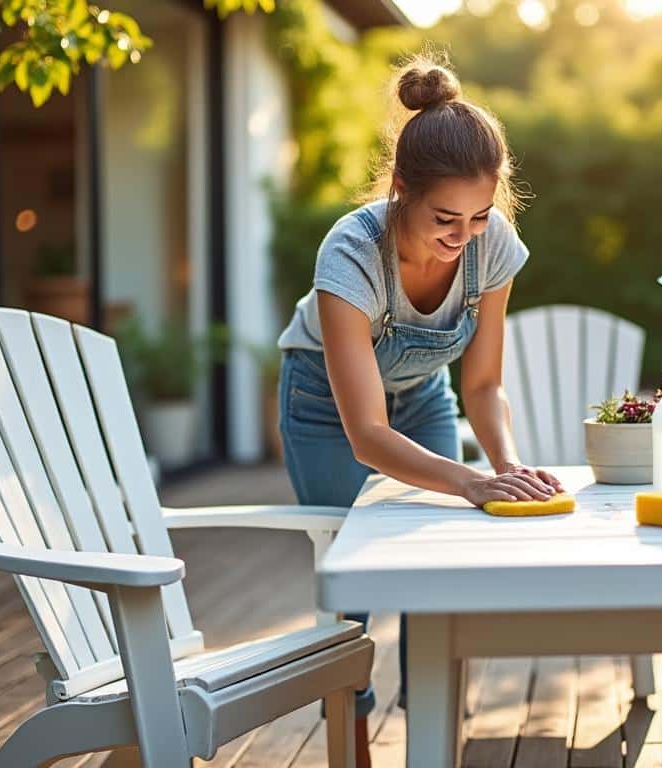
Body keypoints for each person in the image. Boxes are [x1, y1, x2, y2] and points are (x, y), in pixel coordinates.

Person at [275, 56, 562, 766]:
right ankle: (354, 750)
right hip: (328, 407)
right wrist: (469, 481)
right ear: (401, 189)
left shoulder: (493, 246)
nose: (464, 235)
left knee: (439, 566)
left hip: (425, 395)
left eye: (479, 216)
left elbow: (483, 385)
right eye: (445, 218)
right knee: (352, 580)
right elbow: (367, 434)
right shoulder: (351, 253)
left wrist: (505, 467)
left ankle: (430, 742)